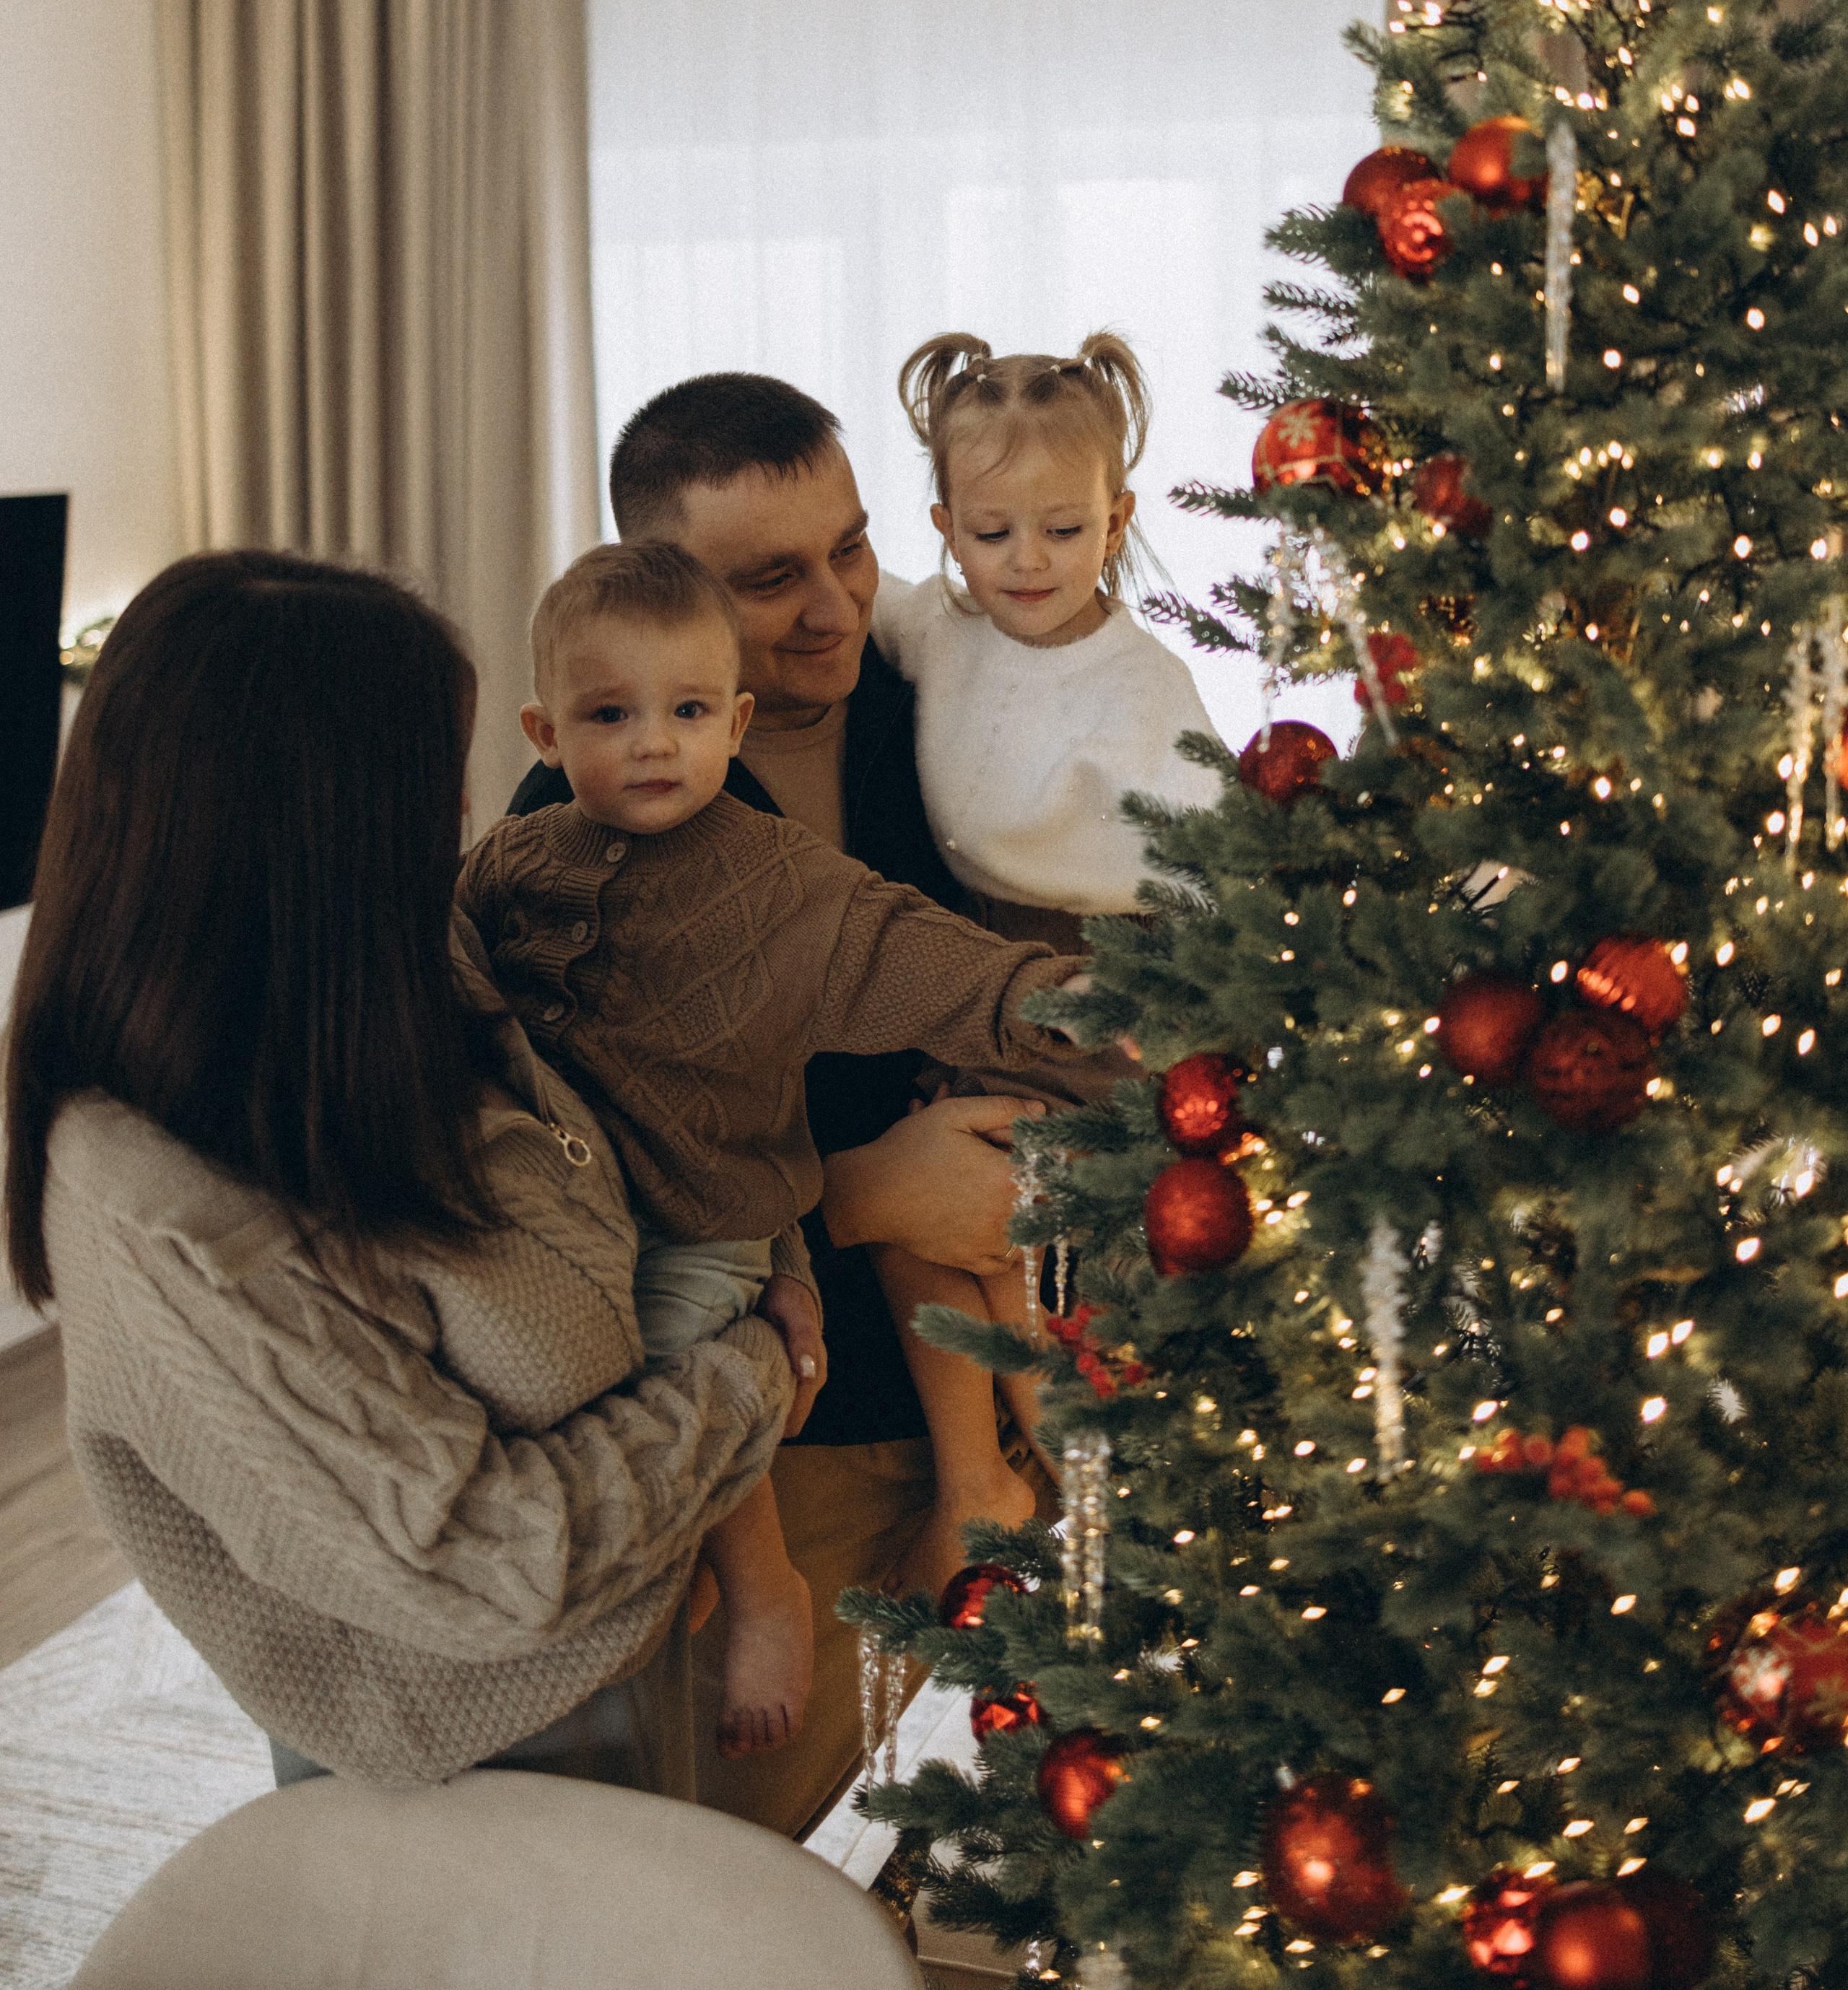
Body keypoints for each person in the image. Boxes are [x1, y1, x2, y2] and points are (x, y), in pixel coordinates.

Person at [2, 552, 798, 1794]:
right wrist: (760, 1369)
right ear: (317, 825)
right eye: (431, 784)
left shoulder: (401, 968)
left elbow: (655, 1125)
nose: (466, 817)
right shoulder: (163, 1208)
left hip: (631, 1660)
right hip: (464, 1770)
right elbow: (490, 1561)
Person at [501, 373, 1073, 1840]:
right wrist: (867, 1189)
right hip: (785, 1433)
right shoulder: (561, 846)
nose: (833, 604)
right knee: (749, 1854)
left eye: (851, 548)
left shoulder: (944, 698)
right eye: (770, 578)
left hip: (1019, 1377)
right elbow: (552, 1198)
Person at [868, 330, 1222, 1536]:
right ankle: (980, 1476)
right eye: (991, 531)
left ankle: (1081, 1477)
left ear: (1117, 516)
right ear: (944, 522)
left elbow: (1219, 867)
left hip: (1102, 984)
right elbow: (837, 589)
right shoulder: (939, 632)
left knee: (1024, 1246)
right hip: (973, 977)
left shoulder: (1142, 685)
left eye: (1063, 530)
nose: (1027, 562)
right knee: (917, 1221)